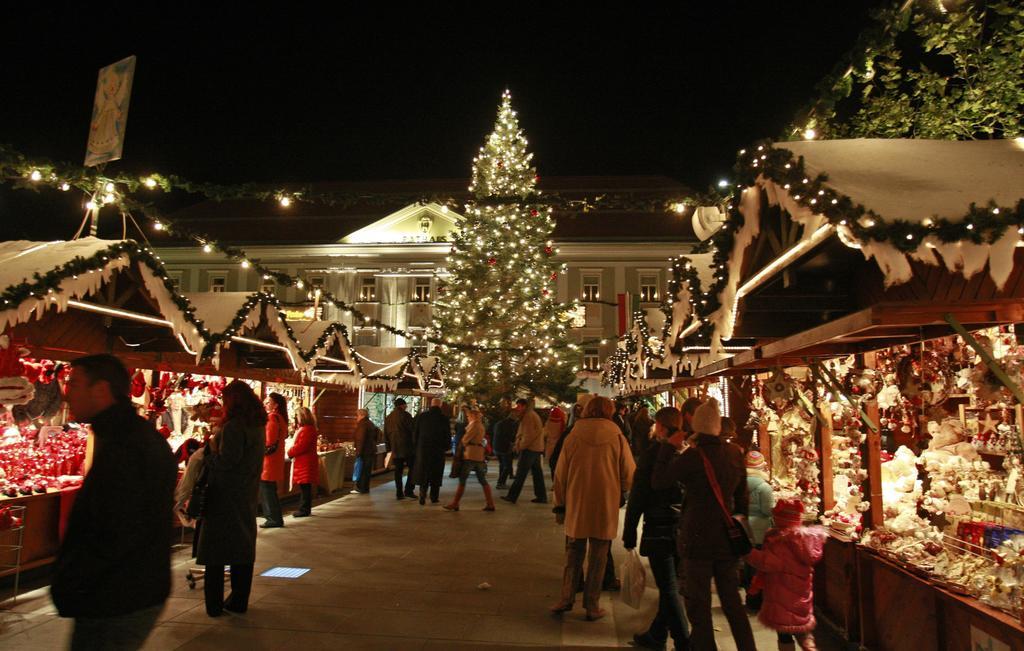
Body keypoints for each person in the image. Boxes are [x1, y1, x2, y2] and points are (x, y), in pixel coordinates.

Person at [52, 354, 176, 649]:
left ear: (101, 389)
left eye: (74, 383)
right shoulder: (129, 437)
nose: (67, 392)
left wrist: (75, 581)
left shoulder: (126, 446)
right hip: (125, 591)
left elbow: (117, 529)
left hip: (115, 596)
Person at [651, 398, 756, 651]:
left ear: (697, 426)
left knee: (699, 605)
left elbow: (660, 481)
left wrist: (667, 448)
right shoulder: (734, 453)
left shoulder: (692, 456)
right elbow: (743, 497)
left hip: (696, 537)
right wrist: (736, 521)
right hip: (726, 537)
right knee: (732, 603)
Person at [551, 396, 636, 621]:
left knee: (573, 552)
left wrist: (559, 505)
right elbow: (629, 473)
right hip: (605, 502)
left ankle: (566, 598)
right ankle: (592, 605)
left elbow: (561, 474)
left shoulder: (574, 434)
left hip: (577, 501)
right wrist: (624, 490)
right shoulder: (617, 436)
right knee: (599, 556)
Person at [196, 380, 266, 617]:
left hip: (225, 496)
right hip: (246, 493)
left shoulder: (235, 427)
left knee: (215, 552)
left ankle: (214, 604)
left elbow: (227, 462)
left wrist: (212, 451)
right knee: (242, 549)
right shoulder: (257, 425)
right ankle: (239, 599)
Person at [623, 406, 691, 651]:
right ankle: (657, 634)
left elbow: (639, 494)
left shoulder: (654, 455)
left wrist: (629, 530)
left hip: (659, 527)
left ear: (661, 427)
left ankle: (684, 641)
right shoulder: (688, 453)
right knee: (670, 586)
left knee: (669, 588)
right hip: (682, 528)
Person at [747, 499, 826, 651]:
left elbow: (767, 563)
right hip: (801, 597)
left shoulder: (779, 542)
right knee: (803, 630)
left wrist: (748, 553)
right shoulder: (805, 541)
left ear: (778, 519)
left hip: (780, 598)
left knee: (784, 634)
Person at [444, 408, 496, 511]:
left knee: (462, 480)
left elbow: (465, 439)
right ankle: (490, 503)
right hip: (479, 456)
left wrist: (461, 444)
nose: (467, 418)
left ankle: (455, 503)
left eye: (468, 416)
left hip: (471, 455)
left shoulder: (474, 425)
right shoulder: (480, 425)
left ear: (473, 416)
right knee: (482, 480)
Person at [744, 450, 775, 612]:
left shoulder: (739, 483)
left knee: (749, 566)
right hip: (760, 531)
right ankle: (758, 601)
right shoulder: (764, 487)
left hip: (744, 530)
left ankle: (750, 598)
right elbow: (768, 510)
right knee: (760, 568)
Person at [501, 398, 547, 504]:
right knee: (537, 473)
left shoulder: (528, 416)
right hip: (535, 448)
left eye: (519, 406)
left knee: (521, 473)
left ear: (524, 406)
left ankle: (512, 496)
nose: (517, 408)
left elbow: (528, 435)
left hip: (529, 449)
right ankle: (541, 496)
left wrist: (520, 446)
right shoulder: (530, 415)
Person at [413, 398, 450, 504]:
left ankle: (422, 495)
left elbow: (415, 433)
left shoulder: (422, 417)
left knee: (424, 473)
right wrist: (446, 447)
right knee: (436, 474)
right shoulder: (443, 419)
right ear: (440, 405)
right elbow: (447, 436)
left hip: (423, 450)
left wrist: (416, 446)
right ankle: (434, 497)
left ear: (431, 405)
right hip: (438, 451)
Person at [259, 392, 288, 528]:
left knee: (267, 490)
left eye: (268, 402)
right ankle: (275, 517)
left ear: (275, 405)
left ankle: (272, 518)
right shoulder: (281, 418)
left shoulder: (272, 418)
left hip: (268, 461)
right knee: (270, 490)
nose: (265, 404)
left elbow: (269, 441)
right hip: (275, 460)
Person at [288, 407, 319, 517]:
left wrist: (290, 452)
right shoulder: (309, 429)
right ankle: (304, 508)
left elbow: (301, 446)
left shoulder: (306, 430)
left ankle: (304, 509)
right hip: (306, 461)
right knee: (305, 487)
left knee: (305, 487)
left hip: (304, 462)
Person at [385, 398, 417, 499]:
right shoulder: (406, 416)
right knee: (413, 468)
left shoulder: (388, 417)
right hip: (407, 448)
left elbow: (386, 434)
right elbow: (413, 430)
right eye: (405, 405)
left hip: (395, 448)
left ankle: (399, 493)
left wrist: (389, 449)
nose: (406, 406)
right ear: (402, 405)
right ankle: (408, 490)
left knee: (398, 471)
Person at [353, 408, 381, 494]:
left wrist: (358, 452)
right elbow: (378, 434)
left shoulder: (363, 425)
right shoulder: (370, 423)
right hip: (370, 450)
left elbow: (361, 439)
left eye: (357, 415)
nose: (356, 418)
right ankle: (365, 488)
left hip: (365, 451)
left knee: (362, 470)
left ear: (362, 415)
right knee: (367, 470)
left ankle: (361, 487)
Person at [492, 408, 519, 489]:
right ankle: (500, 483)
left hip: (496, 447)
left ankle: (501, 481)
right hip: (505, 448)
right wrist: (513, 444)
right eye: (517, 415)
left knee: (502, 465)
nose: (518, 417)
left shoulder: (500, 423)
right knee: (507, 466)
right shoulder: (511, 424)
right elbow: (509, 436)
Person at [543, 404, 567, 478]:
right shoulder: (562, 423)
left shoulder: (548, 423)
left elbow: (544, 433)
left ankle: (554, 480)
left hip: (550, 445)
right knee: (558, 465)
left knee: (552, 465)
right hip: (559, 447)